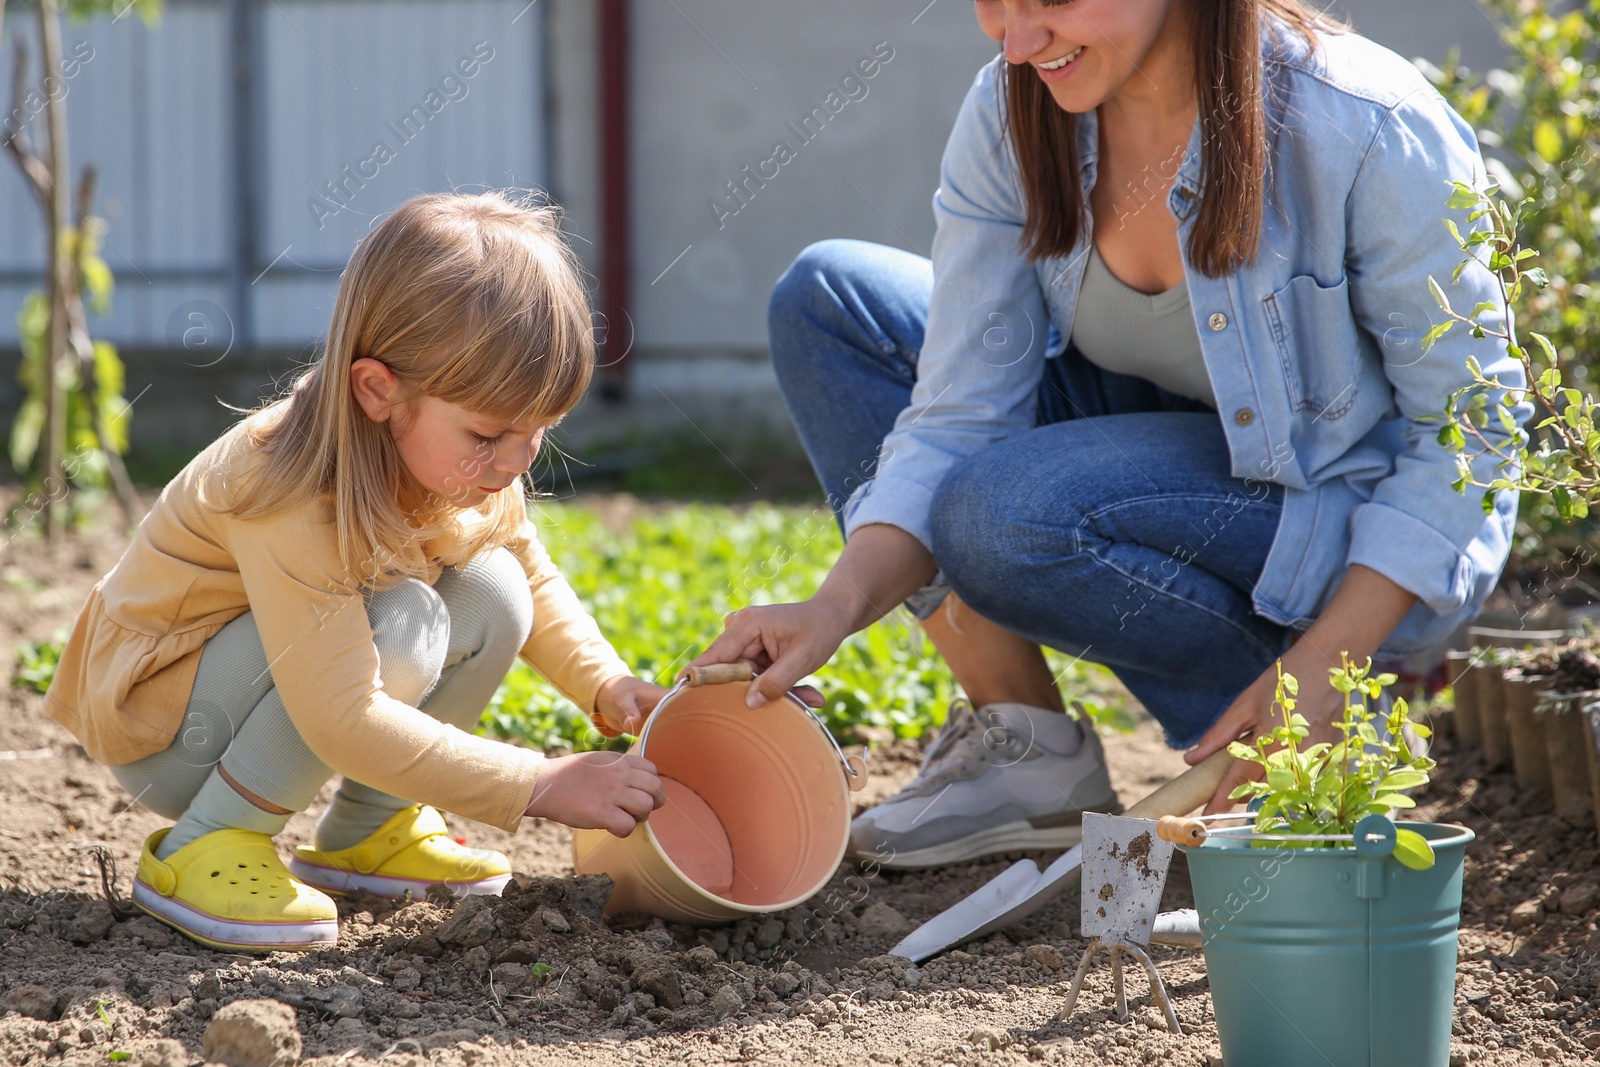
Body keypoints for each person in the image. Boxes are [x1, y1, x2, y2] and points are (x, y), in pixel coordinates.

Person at [693, 0, 1528, 868]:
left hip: (1338, 527)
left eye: (1051, 1)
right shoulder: (1014, 110)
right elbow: (958, 416)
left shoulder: (1365, 126)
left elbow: (1475, 433)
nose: (1016, 42)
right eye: (994, 2)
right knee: (832, 301)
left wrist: (1325, 662)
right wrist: (833, 607)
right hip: (1159, 458)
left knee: (1001, 513)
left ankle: (1305, 738)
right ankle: (1031, 753)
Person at [44, 192, 668, 952]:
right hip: (167, 729)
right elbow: (341, 714)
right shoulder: (286, 483)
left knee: (496, 588)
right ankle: (207, 842)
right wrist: (537, 783)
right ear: (379, 390)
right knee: (403, 622)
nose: (513, 464)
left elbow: (528, 572)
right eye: (489, 433)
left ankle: (369, 831)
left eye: (538, 433)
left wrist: (608, 684)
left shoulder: (455, 468)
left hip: (265, 699)